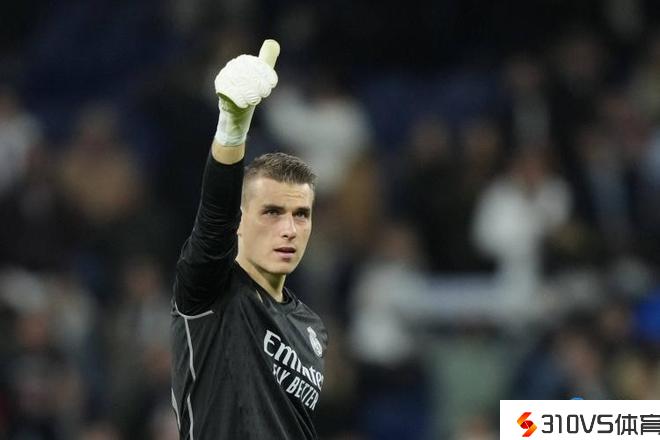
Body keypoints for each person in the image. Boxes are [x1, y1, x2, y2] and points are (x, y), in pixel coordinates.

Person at [170, 40, 327, 439]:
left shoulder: (311, 327)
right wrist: (232, 129)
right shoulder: (210, 293)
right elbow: (213, 220)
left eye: (301, 214)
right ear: (240, 221)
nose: (289, 228)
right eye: (272, 212)